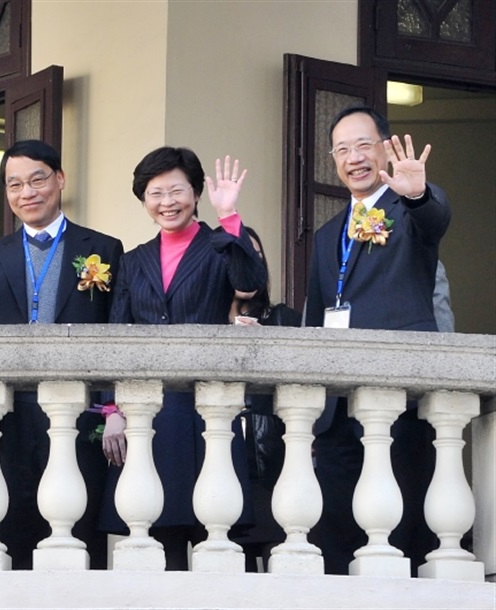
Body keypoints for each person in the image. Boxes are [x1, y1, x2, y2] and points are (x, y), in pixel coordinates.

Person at [0, 139, 123, 569]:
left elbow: (117, 333)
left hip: (81, 415)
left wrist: (115, 406)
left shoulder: (103, 248)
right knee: (11, 540)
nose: (27, 192)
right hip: (8, 419)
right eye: (15, 184)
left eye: (37, 179)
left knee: (78, 543)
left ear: (59, 180)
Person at [98, 146, 267, 570]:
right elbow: (117, 338)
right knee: (159, 542)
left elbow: (250, 282)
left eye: (177, 190)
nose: (167, 202)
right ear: (143, 200)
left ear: (195, 194)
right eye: (155, 193)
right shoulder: (133, 260)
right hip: (154, 416)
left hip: (209, 409)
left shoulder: (218, 246)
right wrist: (112, 410)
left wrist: (230, 217)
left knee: (220, 538)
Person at [304, 106, 450, 575]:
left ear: (385, 148)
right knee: (337, 537)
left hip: (401, 399)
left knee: (405, 533)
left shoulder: (409, 212)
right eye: (342, 149)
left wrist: (418, 194)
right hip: (338, 411)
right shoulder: (327, 236)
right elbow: (315, 314)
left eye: (364, 145)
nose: (354, 158)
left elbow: (434, 219)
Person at [223, 226, 302, 571]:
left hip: (274, 462)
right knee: (227, 565)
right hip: (222, 460)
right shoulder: (204, 319)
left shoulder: (283, 317)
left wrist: (266, 345)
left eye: (254, 255)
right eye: (239, 255)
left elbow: (303, 382)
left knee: (279, 563)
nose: (248, 263)